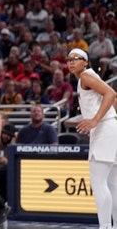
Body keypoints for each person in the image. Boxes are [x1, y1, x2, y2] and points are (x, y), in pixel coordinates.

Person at [69, 48, 117, 229]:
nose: (71, 61)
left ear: (86, 62)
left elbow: (111, 94)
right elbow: (114, 100)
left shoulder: (86, 77)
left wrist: (95, 120)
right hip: (110, 127)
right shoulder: (89, 78)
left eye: (76, 58)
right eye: (69, 59)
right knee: (113, 183)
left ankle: (105, 226)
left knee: (98, 182)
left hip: (105, 128)